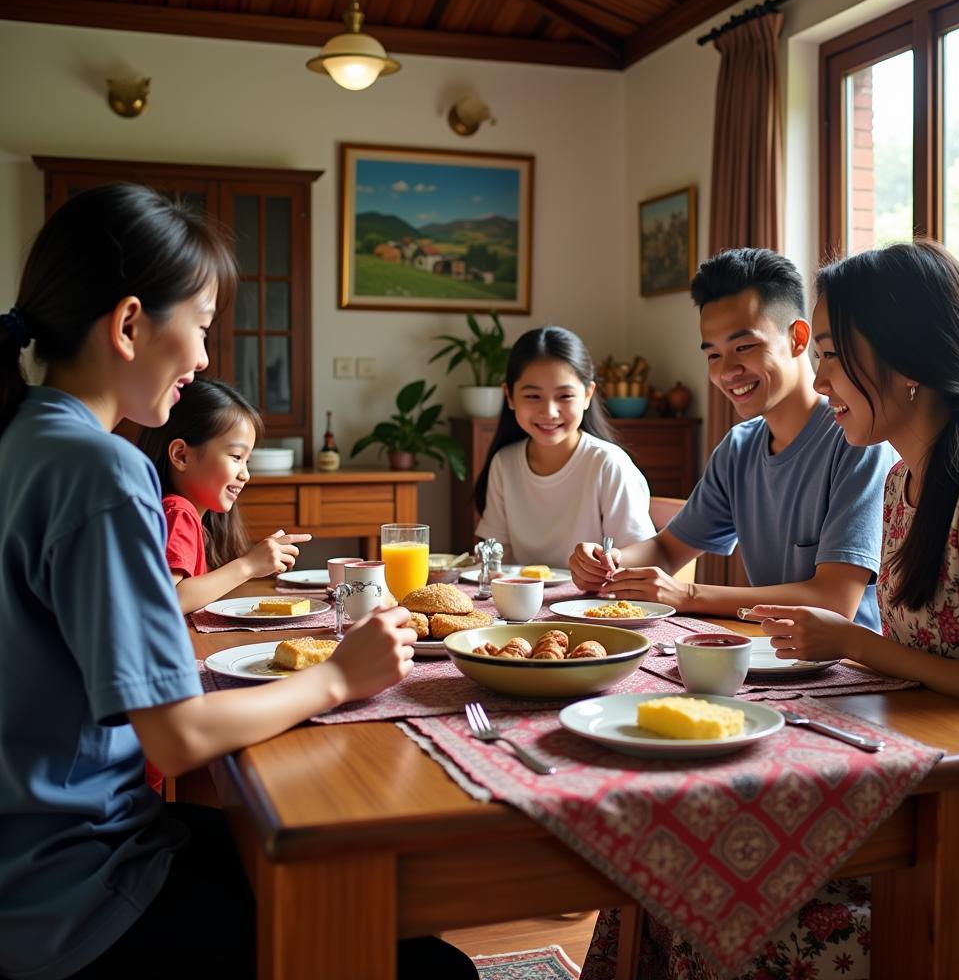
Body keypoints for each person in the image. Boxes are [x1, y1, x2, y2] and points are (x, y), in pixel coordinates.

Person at [0, 184, 477, 980]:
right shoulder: (102, 470)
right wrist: (336, 678)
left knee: (338, 874)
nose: (204, 361)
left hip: (37, 864)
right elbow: (177, 735)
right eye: (202, 328)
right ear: (128, 325)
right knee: (435, 964)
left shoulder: (24, 440)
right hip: (84, 893)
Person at [582, 239, 959, 980]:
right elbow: (669, 546)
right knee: (668, 856)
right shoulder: (903, 487)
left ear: (905, 363)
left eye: (830, 353)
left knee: (714, 900)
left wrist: (852, 642)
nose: (818, 377)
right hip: (915, 770)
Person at [570, 248, 896, 628]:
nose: (727, 372)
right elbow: (666, 549)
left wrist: (688, 595)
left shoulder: (857, 441)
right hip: (768, 656)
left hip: (849, 672)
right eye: (713, 355)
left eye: (744, 347)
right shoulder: (740, 447)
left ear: (798, 338)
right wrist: (607, 561)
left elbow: (834, 600)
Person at [474, 325, 655, 567]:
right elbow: (496, 556)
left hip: (592, 602)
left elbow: (642, 556)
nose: (549, 412)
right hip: (522, 603)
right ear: (509, 396)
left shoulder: (607, 464)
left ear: (588, 394)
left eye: (565, 396)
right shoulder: (504, 463)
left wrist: (605, 564)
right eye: (533, 396)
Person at [136, 378, 311, 615]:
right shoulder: (179, 512)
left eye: (247, 461)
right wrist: (248, 565)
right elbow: (169, 601)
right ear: (181, 455)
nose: (245, 474)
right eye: (236, 457)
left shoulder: (187, 516)